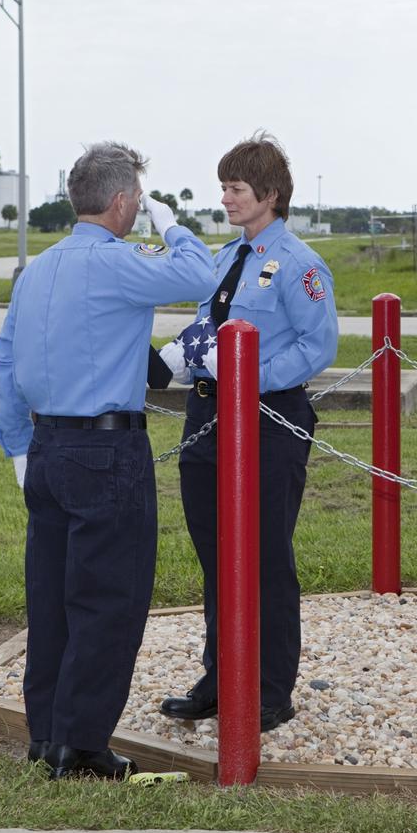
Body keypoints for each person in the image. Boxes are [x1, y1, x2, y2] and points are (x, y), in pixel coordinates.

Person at [0, 142, 216, 779]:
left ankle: (47, 736)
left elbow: (2, 363)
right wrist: (169, 225)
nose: (137, 207)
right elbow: (203, 275)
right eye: (136, 199)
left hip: (47, 446)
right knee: (107, 600)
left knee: (53, 598)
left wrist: (16, 448)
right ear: (121, 202)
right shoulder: (118, 263)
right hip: (107, 448)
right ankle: (82, 747)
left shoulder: (37, 270)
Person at [157, 132, 338, 732]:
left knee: (264, 557)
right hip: (207, 419)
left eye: (236, 189)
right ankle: (221, 674)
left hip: (269, 420)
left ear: (270, 193)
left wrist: (248, 379)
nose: (227, 199)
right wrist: (170, 360)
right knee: (216, 558)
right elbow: (206, 327)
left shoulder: (302, 266)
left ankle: (270, 688)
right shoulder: (223, 258)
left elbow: (319, 345)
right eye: (225, 188)